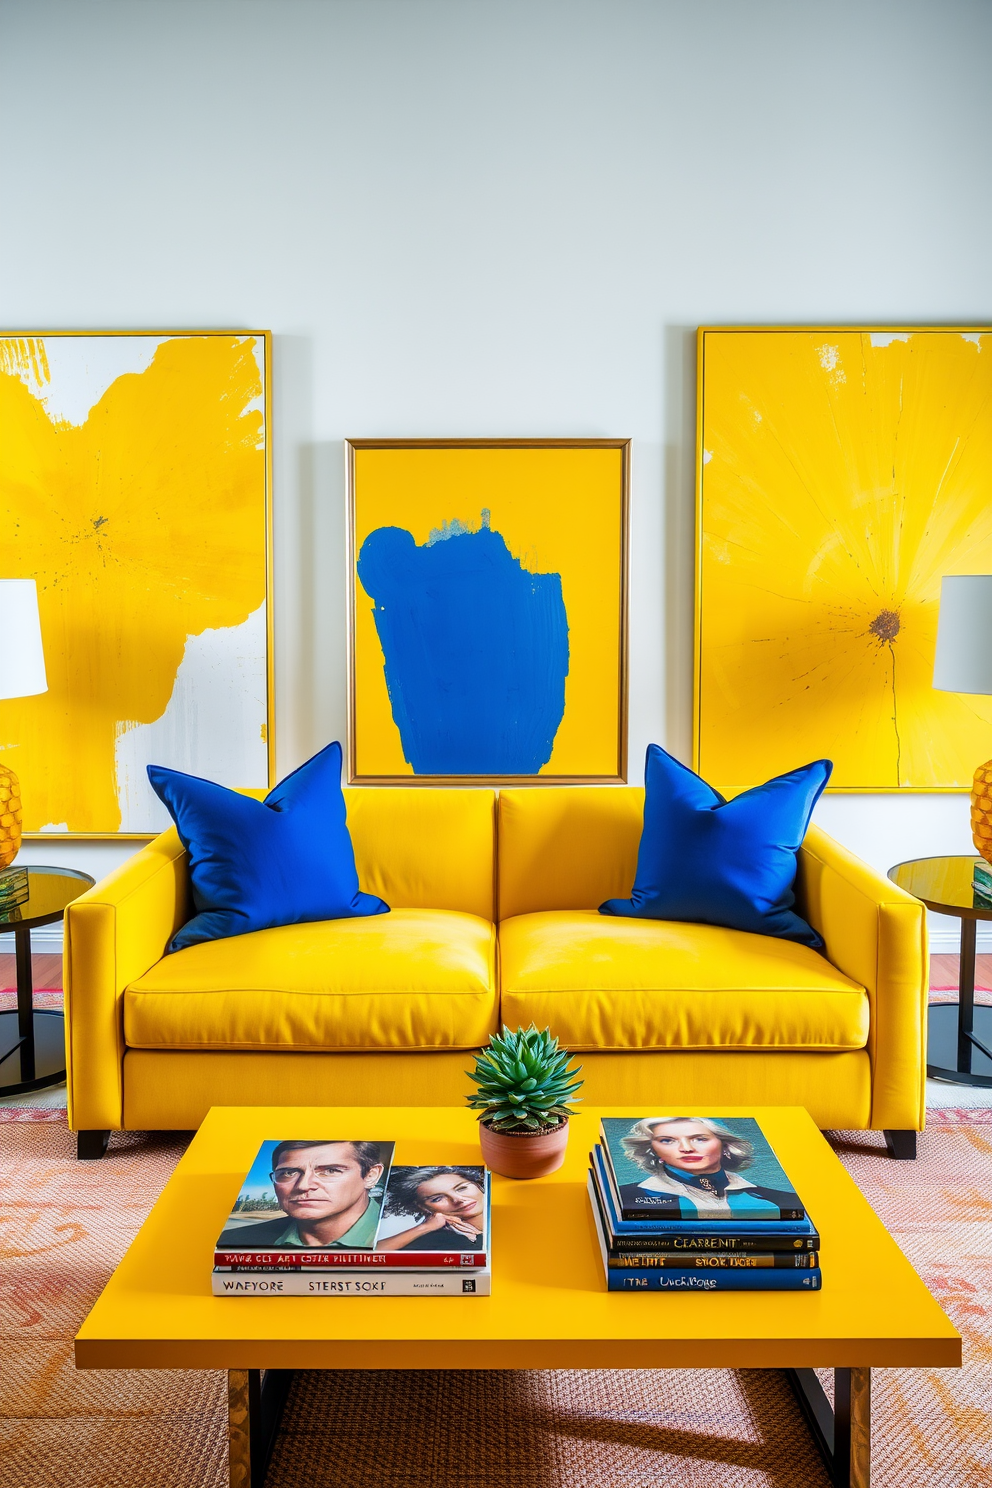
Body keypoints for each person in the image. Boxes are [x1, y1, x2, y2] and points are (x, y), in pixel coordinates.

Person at [216, 1139, 386, 1249]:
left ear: (371, 1176)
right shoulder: (235, 1241)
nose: (304, 1186)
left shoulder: (401, 1238)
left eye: (330, 1170)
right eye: (289, 1173)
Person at [616, 1117, 796, 1217]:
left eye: (699, 1139)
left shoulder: (779, 1201)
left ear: (725, 1145)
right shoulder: (623, 1198)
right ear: (653, 1150)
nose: (686, 1148)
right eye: (667, 1140)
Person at [376, 1166, 486, 1252]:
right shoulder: (431, 1243)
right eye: (438, 1198)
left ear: (478, 1184)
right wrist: (424, 1227)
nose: (458, 1199)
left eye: (462, 1188)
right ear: (422, 1207)